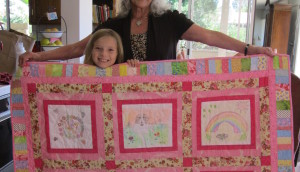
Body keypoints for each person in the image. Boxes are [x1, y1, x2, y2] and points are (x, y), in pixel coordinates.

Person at [19, 0, 275, 66]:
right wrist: (39, 57)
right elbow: (80, 47)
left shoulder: (171, 20)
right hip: (122, 110)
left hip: (163, 105)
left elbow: (210, 36)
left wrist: (249, 49)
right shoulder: (116, 23)